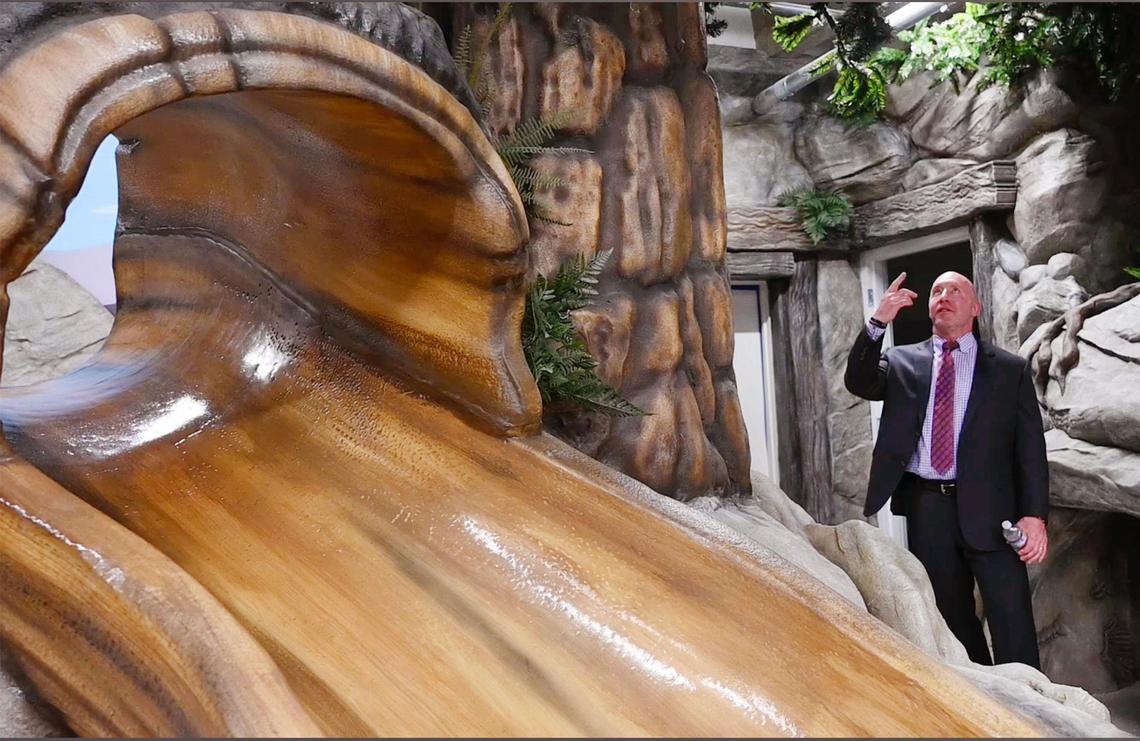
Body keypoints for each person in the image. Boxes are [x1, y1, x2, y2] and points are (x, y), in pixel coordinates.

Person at [844, 270, 1049, 668]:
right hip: (928, 508)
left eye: (956, 290)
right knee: (952, 619)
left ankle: (1029, 712)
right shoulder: (903, 360)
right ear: (929, 306)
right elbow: (859, 380)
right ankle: (979, 701)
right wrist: (877, 322)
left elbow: (1030, 450)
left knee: (1011, 620)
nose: (944, 295)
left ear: (975, 307)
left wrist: (1034, 516)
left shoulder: (1009, 369)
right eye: (937, 290)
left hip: (994, 512)